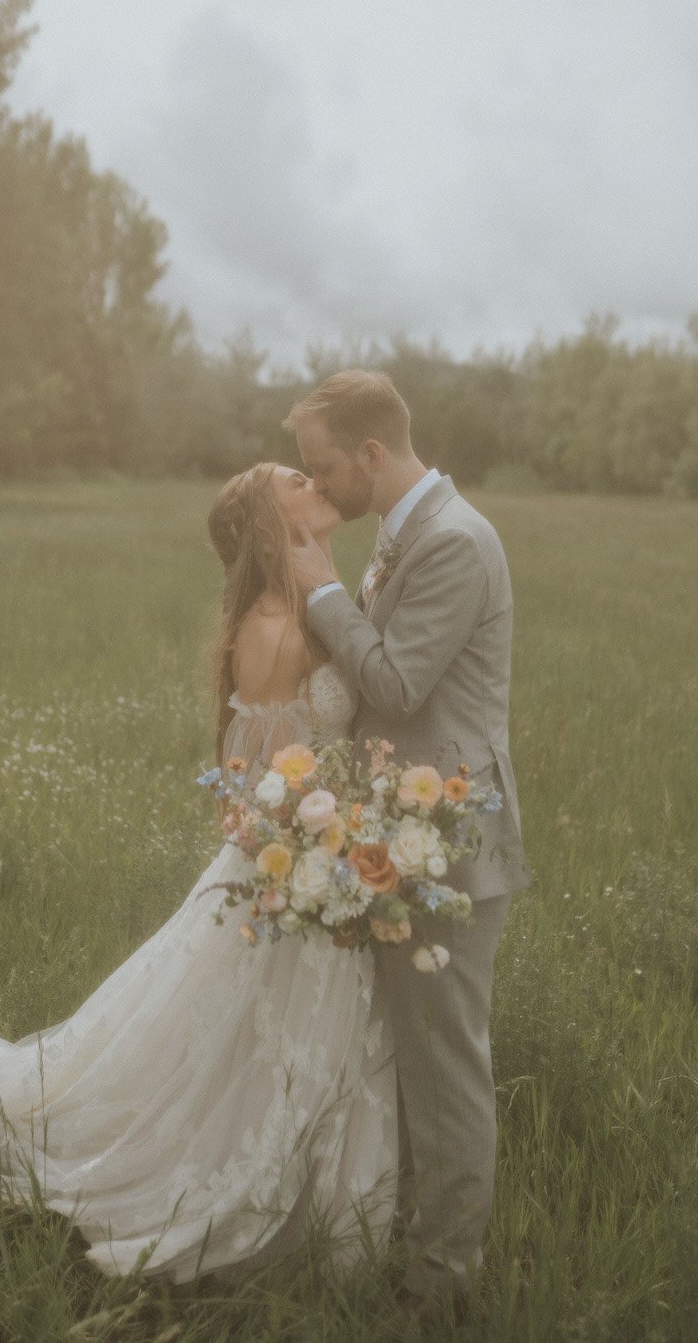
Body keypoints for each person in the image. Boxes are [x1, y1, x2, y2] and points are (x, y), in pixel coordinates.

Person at [0, 463, 397, 1285]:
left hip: (332, 863)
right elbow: (244, 789)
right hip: (287, 872)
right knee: (229, 1048)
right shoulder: (272, 627)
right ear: (267, 522)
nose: (311, 476)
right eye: (292, 476)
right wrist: (314, 845)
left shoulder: (324, 603)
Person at [285, 369, 531, 1306]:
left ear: (371, 455)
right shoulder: (407, 532)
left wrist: (320, 591)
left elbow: (393, 686)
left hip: (454, 847)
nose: (321, 486)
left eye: (324, 467)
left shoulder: (457, 543)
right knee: (417, 1059)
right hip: (405, 836)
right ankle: (411, 1240)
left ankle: (440, 1285)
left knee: (449, 1066)